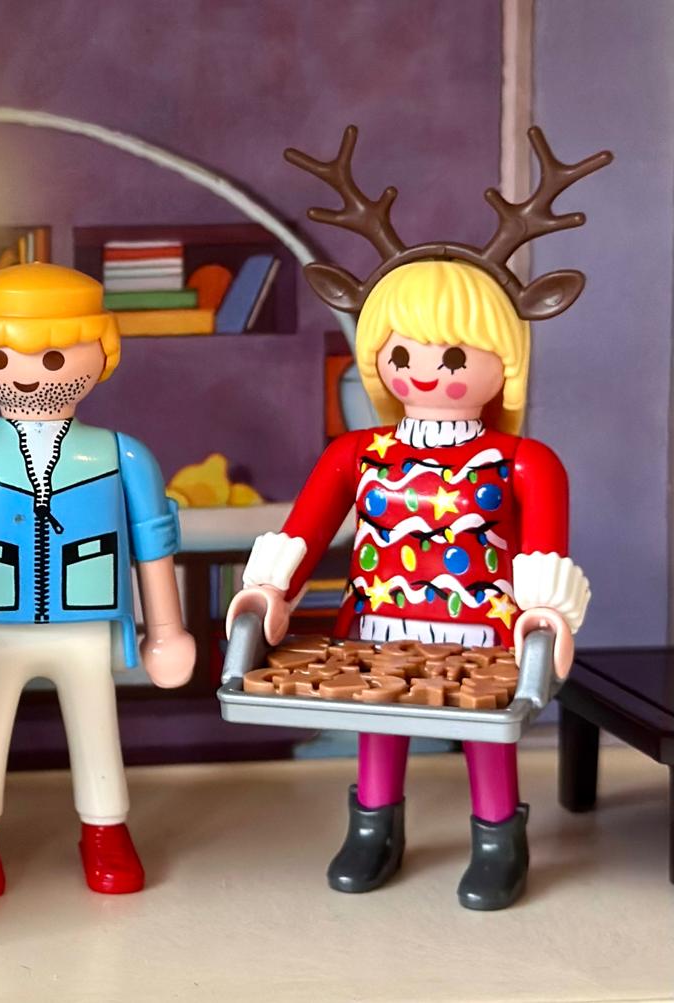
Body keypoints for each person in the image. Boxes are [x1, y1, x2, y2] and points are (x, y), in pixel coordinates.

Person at [227, 126, 606, 910]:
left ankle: (497, 837)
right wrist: (269, 590)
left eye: (454, 358)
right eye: (403, 354)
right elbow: (303, 532)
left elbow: (544, 555)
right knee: (377, 723)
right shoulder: (358, 453)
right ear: (379, 358)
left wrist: (545, 617)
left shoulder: (523, 461)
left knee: (486, 732)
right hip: (378, 620)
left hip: (482, 628)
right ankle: (374, 827)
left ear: (505, 360)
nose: (426, 372)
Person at [0, 262, 195, 899]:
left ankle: (107, 832)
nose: (29, 375)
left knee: (97, 726)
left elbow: (154, 545)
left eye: (54, 357)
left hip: (85, 620)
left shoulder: (123, 455)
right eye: (4, 357)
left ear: (102, 352)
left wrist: (166, 631)